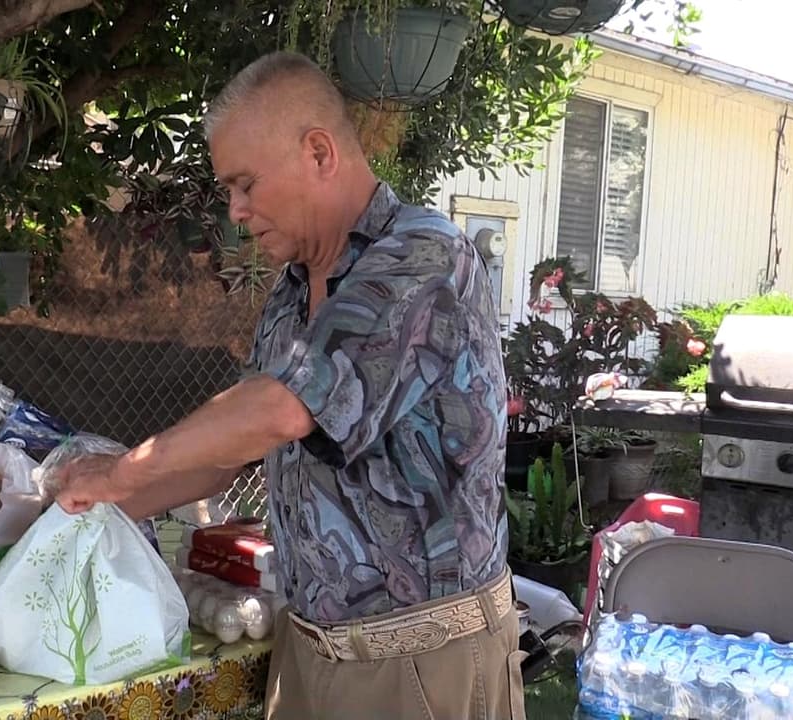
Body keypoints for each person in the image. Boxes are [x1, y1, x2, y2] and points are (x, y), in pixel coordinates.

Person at [54, 51, 523, 720]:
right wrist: (91, 506)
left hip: (423, 668)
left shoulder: (425, 259)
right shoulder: (293, 291)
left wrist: (123, 473)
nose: (235, 211)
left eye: (245, 183)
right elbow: (232, 453)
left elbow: (283, 409)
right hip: (307, 653)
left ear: (319, 153)